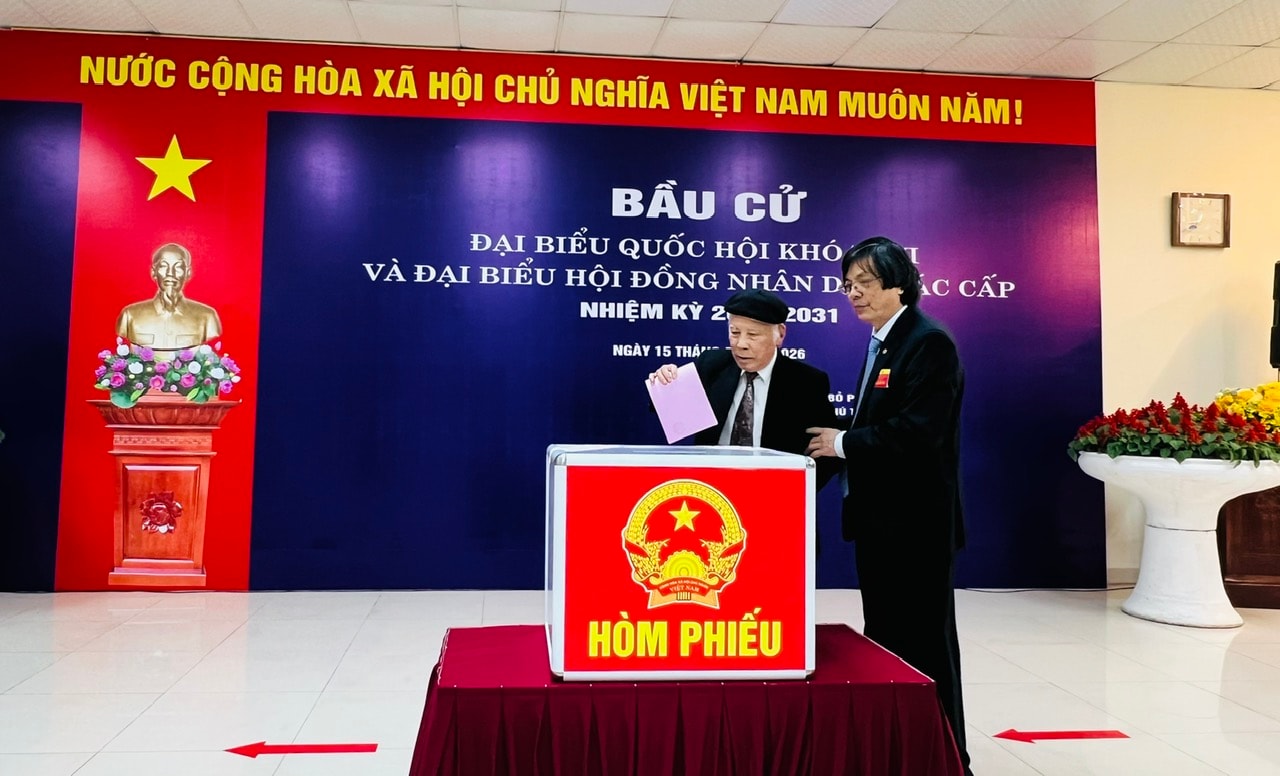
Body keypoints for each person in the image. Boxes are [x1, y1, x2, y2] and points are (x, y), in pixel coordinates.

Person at [804, 236, 971, 774]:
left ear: (899, 283)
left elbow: (919, 432)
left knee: (926, 646)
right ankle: (900, 753)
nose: (854, 293)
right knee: (888, 643)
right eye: (848, 285)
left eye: (866, 283)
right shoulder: (883, 340)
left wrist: (842, 443)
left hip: (915, 526)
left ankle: (947, 757)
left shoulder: (928, 343)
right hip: (881, 524)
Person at [649, 289, 838, 476]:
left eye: (753, 335)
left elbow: (824, 454)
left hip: (773, 486)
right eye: (735, 332)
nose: (741, 344)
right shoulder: (711, 365)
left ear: (780, 335)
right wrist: (666, 383)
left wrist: (797, 490)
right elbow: (669, 411)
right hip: (712, 484)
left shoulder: (806, 383)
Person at [116, 242, 222, 361]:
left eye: (178, 267)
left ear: (188, 273)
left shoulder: (207, 317)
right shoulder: (130, 315)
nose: (170, 273)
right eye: (163, 266)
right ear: (153, 272)